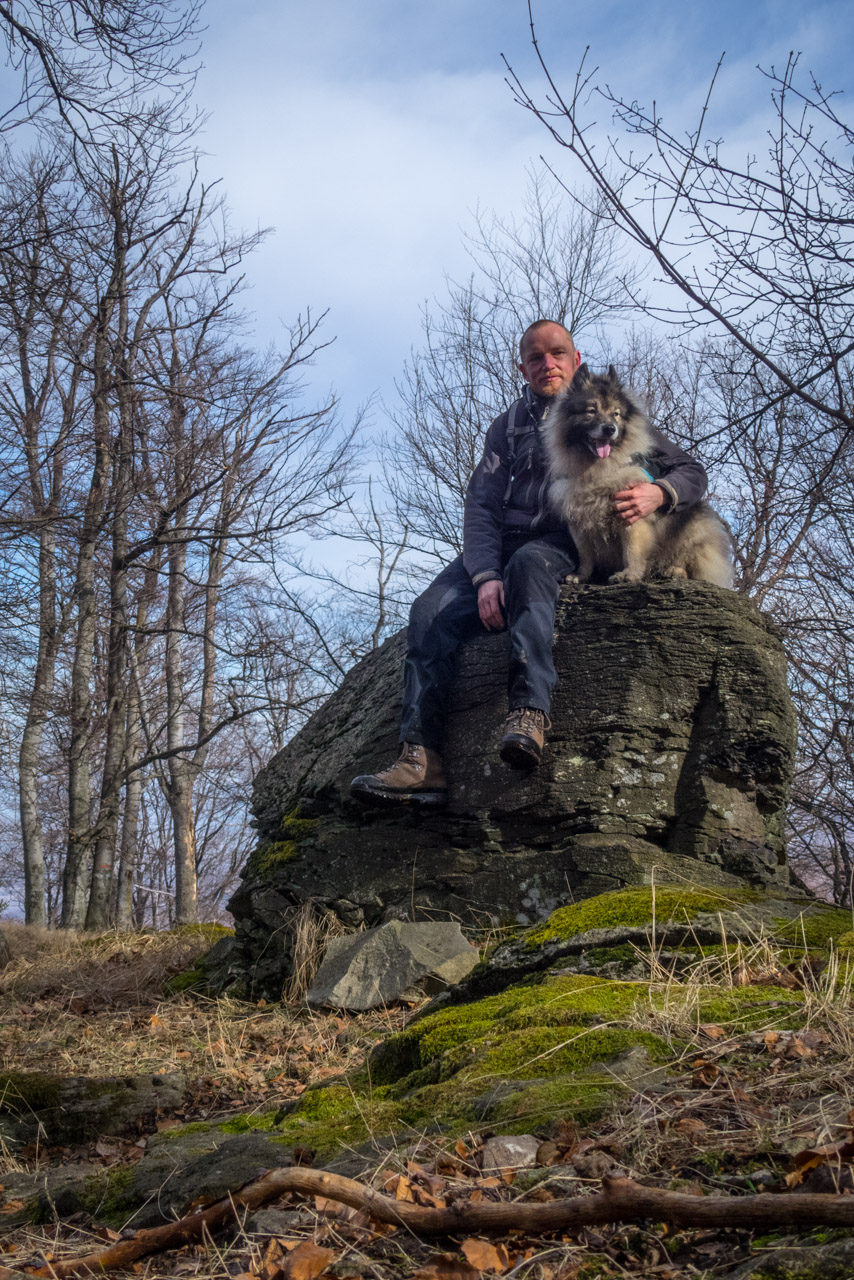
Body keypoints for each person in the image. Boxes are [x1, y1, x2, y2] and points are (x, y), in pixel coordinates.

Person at [351, 320, 708, 808]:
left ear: (575, 358)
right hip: (500, 548)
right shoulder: (508, 426)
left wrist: (658, 491)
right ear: (522, 367)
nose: (548, 365)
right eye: (536, 358)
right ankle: (421, 759)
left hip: (564, 541)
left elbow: (690, 472)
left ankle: (529, 715)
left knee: (529, 564)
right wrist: (483, 576)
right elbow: (481, 506)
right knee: (429, 610)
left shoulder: (606, 411)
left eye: (557, 353)